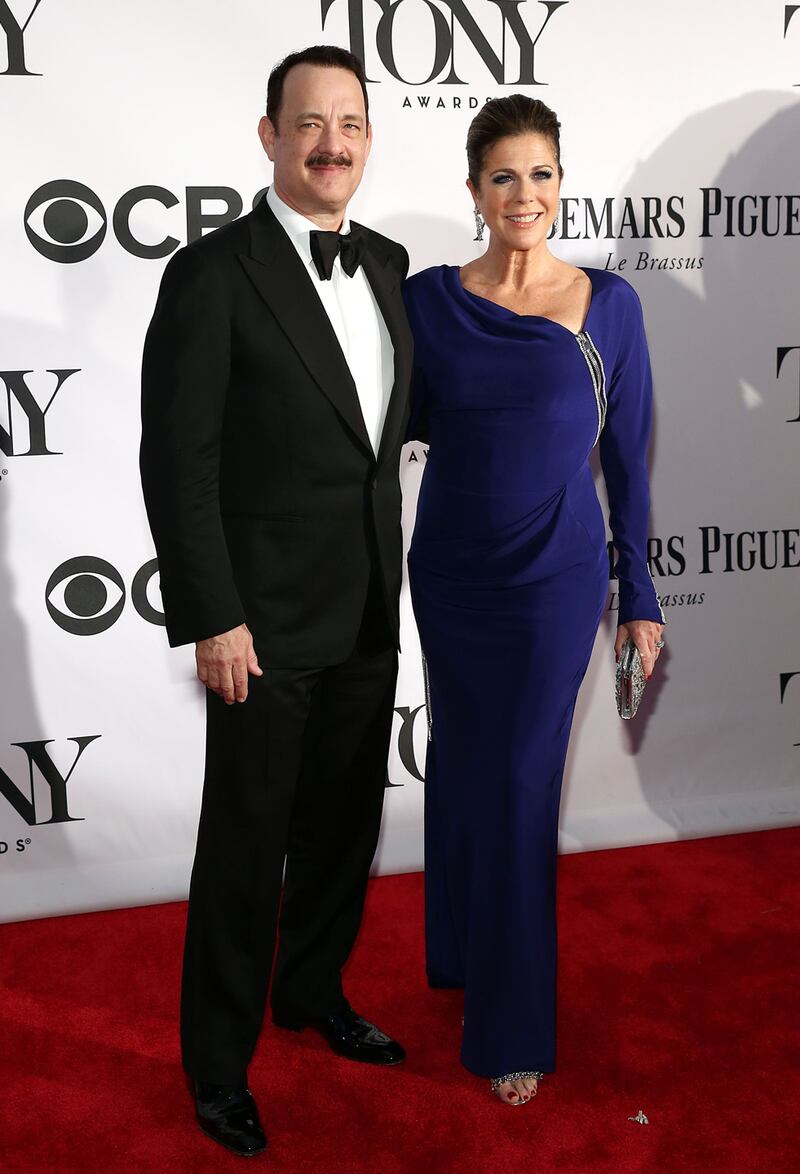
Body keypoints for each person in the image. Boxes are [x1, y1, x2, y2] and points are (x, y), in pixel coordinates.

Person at [140, 45, 413, 1157]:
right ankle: (216, 1067)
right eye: (308, 123)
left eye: (347, 122)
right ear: (268, 136)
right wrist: (212, 613)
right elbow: (178, 461)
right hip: (257, 623)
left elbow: (395, 431)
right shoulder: (213, 275)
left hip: (363, 609)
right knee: (246, 849)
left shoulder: (391, 263)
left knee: (345, 827)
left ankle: (310, 992)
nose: (330, 142)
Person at [403, 95, 665, 1107]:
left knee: (517, 784)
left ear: (562, 183)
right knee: (466, 770)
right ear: (473, 190)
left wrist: (635, 596)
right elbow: (386, 425)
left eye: (542, 174)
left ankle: (508, 1024)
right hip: (451, 576)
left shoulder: (608, 307)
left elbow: (626, 464)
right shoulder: (429, 302)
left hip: (552, 582)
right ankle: (464, 953)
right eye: (503, 175)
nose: (525, 194)